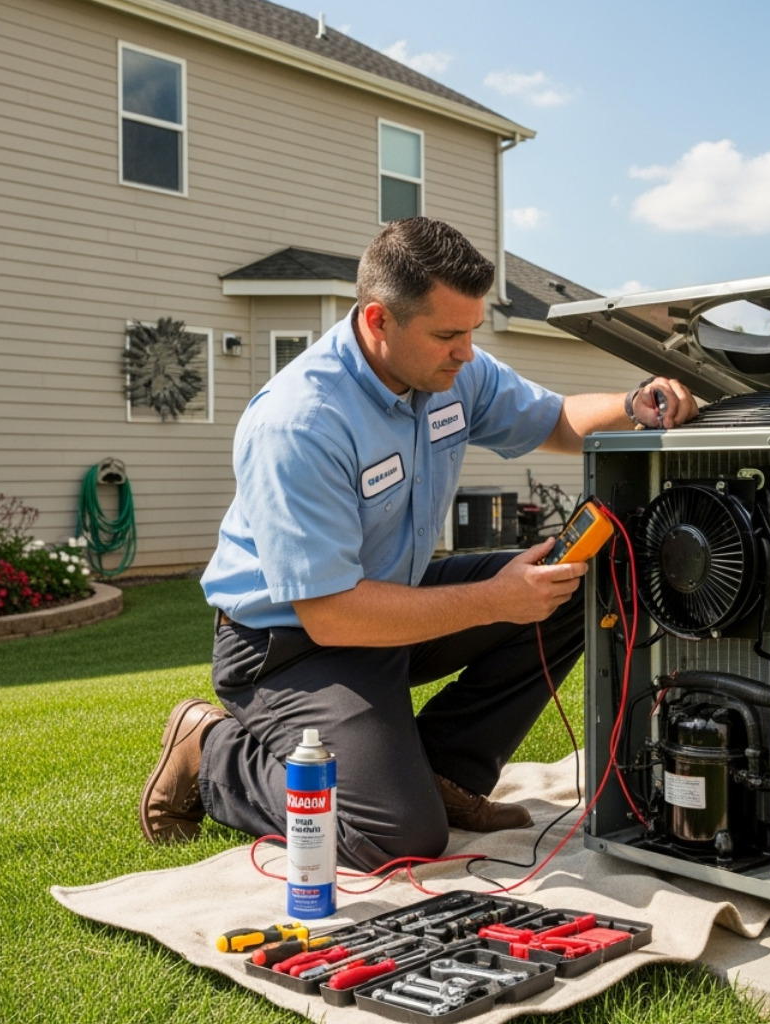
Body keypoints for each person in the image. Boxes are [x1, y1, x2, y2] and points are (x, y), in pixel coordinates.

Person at [140, 217, 695, 870]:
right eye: (448, 335)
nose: (466, 352)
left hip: (388, 603)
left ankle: (446, 774)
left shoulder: (451, 372)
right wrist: (494, 600)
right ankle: (210, 753)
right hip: (289, 646)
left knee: (574, 576)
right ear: (379, 321)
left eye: (471, 332)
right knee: (394, 838)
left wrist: (635, 402)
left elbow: (556, 419)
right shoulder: (300, 423)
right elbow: (332, 613)